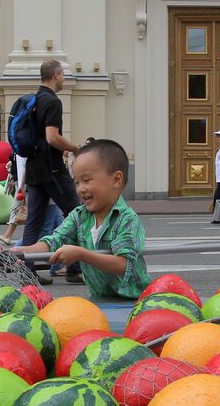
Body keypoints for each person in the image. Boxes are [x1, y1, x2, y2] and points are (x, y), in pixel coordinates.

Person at [14, 139, 149, 300]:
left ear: (116, 180)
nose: (81, 189)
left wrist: (81, 254)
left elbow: (123, 264)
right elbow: (54, 240)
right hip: (99, 299)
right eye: (76, 182)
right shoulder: (79, 215)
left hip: (135, 301)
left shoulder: (126, 219)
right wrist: (23, 251)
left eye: (87, 180)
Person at [21, 59, 83, 283]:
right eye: (63, 74)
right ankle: (74, 269)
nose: (64, 78)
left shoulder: (34, 99)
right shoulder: (53, 102)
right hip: (52, 168)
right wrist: (75, 148)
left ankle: (27, 272)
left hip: (34, 168)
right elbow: (52, 137)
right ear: (56, 75)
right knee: (77, 213)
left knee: (34, 221)